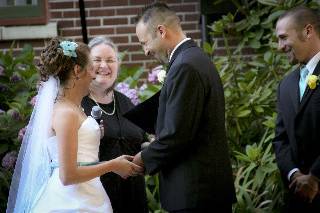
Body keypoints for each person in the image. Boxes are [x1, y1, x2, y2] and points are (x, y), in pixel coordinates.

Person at [6, 38, 143, 213]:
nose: (94, 75)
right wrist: (113, 165)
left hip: (89, 193)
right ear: (78, 70)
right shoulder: (66, 113)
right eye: (91, 69)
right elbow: (68, 175)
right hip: (71, 201)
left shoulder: (73, 108)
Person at [132, 2, 236, 213]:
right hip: (202, 192)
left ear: (161, 31)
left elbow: (178, 135)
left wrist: (144, 158)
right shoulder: (194, 59)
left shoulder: (185, 66)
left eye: (144, 43)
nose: (145, 51)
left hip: (196, 195)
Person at [81, 36, 148, 213]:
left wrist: (156, 146)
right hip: (95, 200)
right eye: (97, 60)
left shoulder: (126, 103)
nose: (104, 65)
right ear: (86, 65)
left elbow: (143, 141)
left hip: (134, 199)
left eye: (110, 60)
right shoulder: (77, 105)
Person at [273, 6, 320, 212]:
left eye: (283, 38)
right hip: (296, 198)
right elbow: (280, 139)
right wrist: (294, 174)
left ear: (308, 31)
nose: (279, 46)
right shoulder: (286, 85)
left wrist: (315, 176)